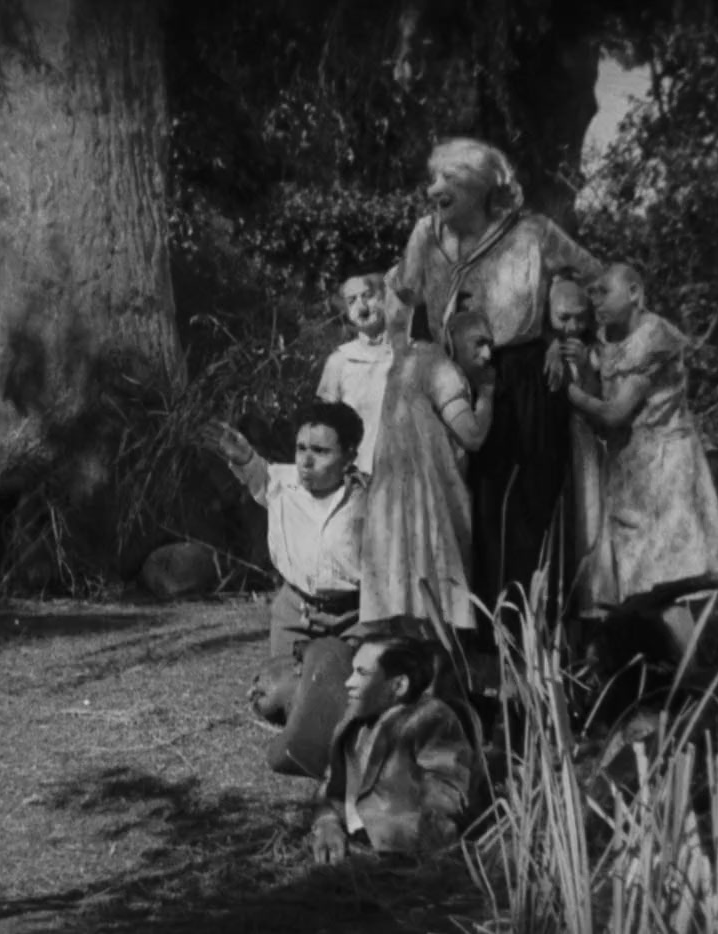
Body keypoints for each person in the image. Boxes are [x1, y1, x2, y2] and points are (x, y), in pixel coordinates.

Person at [390, 137, 601, 627]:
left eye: (447, 179)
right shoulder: (425, 235)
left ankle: (531, 632)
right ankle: (465, 630)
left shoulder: (534, 232)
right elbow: (402, 298)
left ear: (480, 185)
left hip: (526, 378)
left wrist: (562, 337)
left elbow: (597, 279)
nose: (433, 190)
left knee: (526, 505)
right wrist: (404, 365)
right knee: (460, 503)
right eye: (433, 179)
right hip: (451, 378)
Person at [563, 263, 718, 658]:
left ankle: (691, 678)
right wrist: (585, 366)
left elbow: (614, 413)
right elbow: (604, 383)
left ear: (635, 292)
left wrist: (569, 393)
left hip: (664, 471)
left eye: (604, 292)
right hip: (630, 469)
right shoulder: (608, 338)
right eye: (593, 293)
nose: (596, 301)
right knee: (638, 584)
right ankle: (663, 673)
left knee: (667, 586)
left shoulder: (655, 338)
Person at [360, 297, 496, 633]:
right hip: (428, 499)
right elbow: (473, 435)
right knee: (435, 603)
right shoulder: (439, 367)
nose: (487, 355)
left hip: (395, 499)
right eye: (478, 343)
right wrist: (487, 394)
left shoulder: (404, 362)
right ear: (450, 333)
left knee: (407, 601)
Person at [200, 401, 367, 658]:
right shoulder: (283, 485)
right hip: (296, 614)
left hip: (356, 616)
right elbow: (256, 471)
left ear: (348, 457)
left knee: (347, 679)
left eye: (320, 451)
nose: (306, 461)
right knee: (284, 679)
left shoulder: (368, 499)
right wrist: (243, 454)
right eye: (301, 449)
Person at [311, 635, 478, 861]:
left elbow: (445, 800)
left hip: (398, 852)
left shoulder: (432, 719)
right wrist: (327, 823)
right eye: (352, 671)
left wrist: (386, 841)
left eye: (362, 673)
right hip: (358, 846)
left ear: (398, 685)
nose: (348, 682)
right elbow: (331, 785)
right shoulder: (352, 722)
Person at [549, 274, 616, 620]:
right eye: (564, 318)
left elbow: (604, 406)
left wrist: (586, 371)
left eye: (579, 318)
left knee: (589, 521)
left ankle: (594, 608)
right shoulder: (544, 349)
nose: (572, 327)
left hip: (585, 449)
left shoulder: (595, 353)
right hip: (551, 450)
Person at [317, 273, 394, 476]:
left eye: (367, 296)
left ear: (384, 298)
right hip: (360, 474)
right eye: (352, 301)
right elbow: (326, 428)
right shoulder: (339, 362)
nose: (361, 306)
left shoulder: (405, 355)